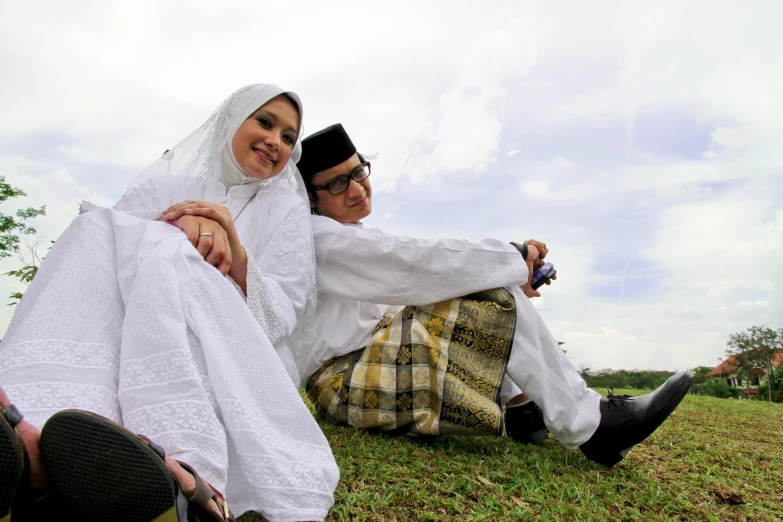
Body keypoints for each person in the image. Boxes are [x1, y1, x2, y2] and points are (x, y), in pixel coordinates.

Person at [0, 84, 339, 522]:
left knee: (168, 255)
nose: (277, 140)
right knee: (93, 229)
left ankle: (179, 454)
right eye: (266, 122)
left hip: (235, 344)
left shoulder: (286, 213)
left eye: (290, 137)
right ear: (231, 120)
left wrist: (232, 249)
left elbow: (281, 317)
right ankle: (36, 427)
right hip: (127, 324)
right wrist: (182, 222)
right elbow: (108, 247)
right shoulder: (165, 185)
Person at [295, 123, 693, 468]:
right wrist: (513, 258)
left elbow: (414, 289)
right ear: (311, 197)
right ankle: (593, 426)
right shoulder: (319, 240)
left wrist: (505, 278)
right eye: (336, 183)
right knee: (477, 285)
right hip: (346, 384)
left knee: (473, 291)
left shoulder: (349, 237)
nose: (355, 188)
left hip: (369, 369)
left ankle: (523, 408)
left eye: (358, 171)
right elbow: (413, 262)